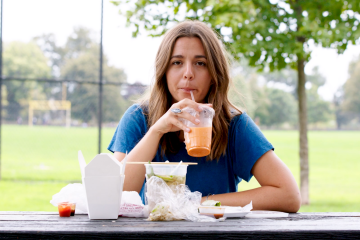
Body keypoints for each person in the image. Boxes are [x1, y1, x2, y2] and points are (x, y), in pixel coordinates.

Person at [108, 20, 301, 212]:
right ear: (164, 71)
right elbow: (113, 196)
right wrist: (157, 131)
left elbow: (288, 195)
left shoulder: (233, 125)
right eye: (177, 62)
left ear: (214, 74)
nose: (188, 73)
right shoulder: (139, 117)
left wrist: (195, 204)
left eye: (200, 63)